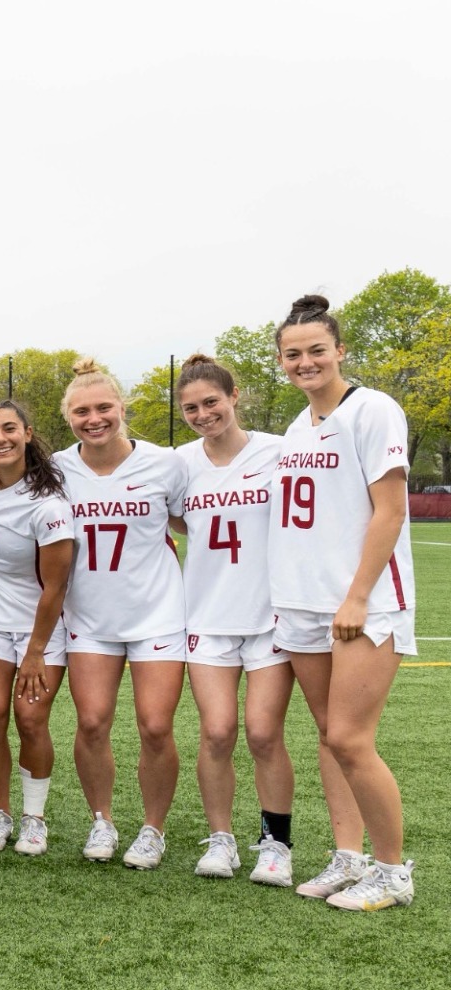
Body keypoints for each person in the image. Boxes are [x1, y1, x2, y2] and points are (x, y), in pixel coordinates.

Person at [268, 295, 417, 911]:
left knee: (353, 739)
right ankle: (349, 858)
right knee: (330, 736)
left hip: (364, 601)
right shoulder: (296, 427)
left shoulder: (373, 409)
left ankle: (392, 872)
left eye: (316, 351)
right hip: (303, 603)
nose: (306, 362)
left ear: (340, 351)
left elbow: (391, 509)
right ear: (281, 361)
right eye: (293, 354)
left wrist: (357, 596)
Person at [56, 358, 189, 868]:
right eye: (82, 411)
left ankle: (153, 829)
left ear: (121, 408)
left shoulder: (165, 463)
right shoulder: (57, 467)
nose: (95, 418)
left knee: (156, 726)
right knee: (91, 723)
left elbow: (186, 519)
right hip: (88, 616)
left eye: (104, 407)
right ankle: (102, 820)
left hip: (155, 612)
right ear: (69, 416)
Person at [169, 355, 296, 885]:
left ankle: (275, 843)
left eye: (211, 402)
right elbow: (172, 515)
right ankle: (221, 839)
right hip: (206, 614)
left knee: (263, 733)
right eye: (191, 408)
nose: (202, 414)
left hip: (268, 615)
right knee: (217, 732)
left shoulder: (277, 450)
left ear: (234, 396)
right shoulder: (178, 462)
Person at [0, 401, 74, 857]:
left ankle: (34, 817)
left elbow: (56, 586)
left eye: (9, 429)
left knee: (30, 720)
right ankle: (0, 813)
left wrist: (35, 651)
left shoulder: (47, 504)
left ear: (28, 433)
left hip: (38, 629)